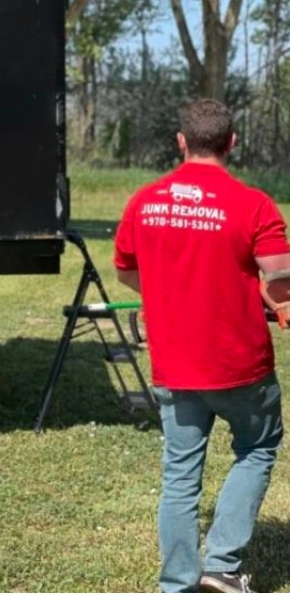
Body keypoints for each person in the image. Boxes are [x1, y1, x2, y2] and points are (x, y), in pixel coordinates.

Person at [115, 99, 290, 593]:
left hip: (175, 363)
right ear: (232, 142)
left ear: (181, 141)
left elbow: (128, 270)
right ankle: (221, 568)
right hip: (241, 365)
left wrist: (168, 295)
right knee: (256, 448)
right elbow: (280, 278)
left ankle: (178, 583)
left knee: (179, 475)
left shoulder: (144, 202)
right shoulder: (254, 204)